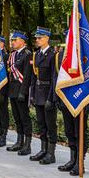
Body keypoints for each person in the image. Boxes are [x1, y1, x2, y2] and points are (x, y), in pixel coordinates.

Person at [29, 27, 58, 165]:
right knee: (41, 124)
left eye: (40, 38)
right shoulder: (37, 55)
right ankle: (43, 149)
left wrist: (51, 98)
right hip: (39, 92)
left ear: (47, 38)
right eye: (36, 38)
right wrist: (32, 94)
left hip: (48, 93)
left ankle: (51, 153)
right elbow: (34, 77)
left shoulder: (53, 55)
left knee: (50, 124)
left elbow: (54, 78)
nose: (37, 40)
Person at [6, 30, 33, 156]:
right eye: (12, 40)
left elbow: (27, 75)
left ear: (22, 41)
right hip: (13, 90)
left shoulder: (27, 54)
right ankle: (19, 141)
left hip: (22, 91)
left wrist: (23, 92)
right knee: (17, 117)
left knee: (24, 118)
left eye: (15, 40)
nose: (12, 42)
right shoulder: (13, 55)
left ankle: (27, 145)